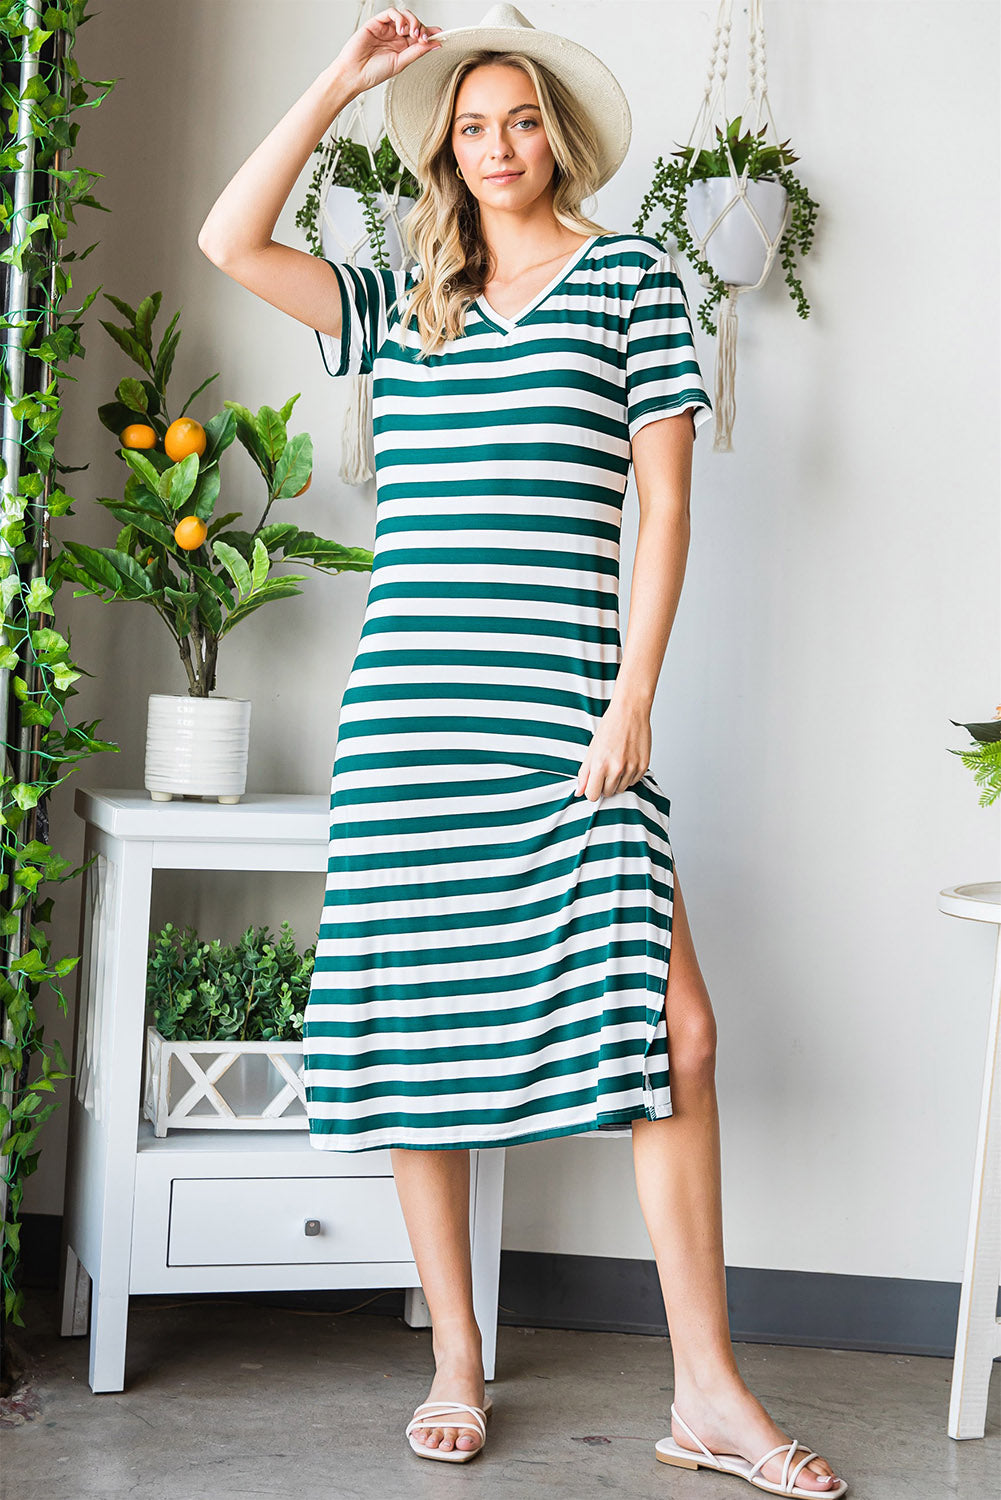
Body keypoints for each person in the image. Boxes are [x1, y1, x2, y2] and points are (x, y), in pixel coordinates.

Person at [197, 5, 846, 1494]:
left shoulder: (631, 279)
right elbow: (229, 239)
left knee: (675, 1033)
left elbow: (665, 509)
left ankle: (707, 1392)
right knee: (420, 1039)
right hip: (410, 723)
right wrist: (342, 79)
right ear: (445, 146)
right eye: (471, 125)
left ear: (558, 135)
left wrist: (632, 697)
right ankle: (455, 1359)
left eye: (521, 120)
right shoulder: (400, 294)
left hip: (564, 718)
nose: (497, 147)